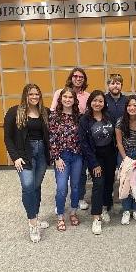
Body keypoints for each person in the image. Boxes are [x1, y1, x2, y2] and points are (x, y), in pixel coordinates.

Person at [3, 84, 50, 243]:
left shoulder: (44, 112)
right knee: (28, 187)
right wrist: (15, 157)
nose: (34, 97)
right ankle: (32, 223)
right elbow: (8, 137)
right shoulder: (14, 112)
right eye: (31, 94)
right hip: (24, 155)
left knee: (36, 187)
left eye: (37, 94)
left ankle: (35, 216)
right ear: (25, 95)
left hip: (41, 153)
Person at [51, 67, 90, 211]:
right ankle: (60, 207)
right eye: (75, 76)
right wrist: (56, 157)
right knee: (62, 185)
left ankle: (77, 202)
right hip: (62, 153)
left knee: (78, 180)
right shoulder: (56, 111)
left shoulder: (85, 100)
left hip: (77, 152)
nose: (78, 78)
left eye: (81, 77)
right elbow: (52, 135)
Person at [79, 90, 116, 235]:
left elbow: (115, 136)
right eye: (95, 100)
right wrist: (94, 163)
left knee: (108, 182)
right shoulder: (84, 120)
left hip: (110, 155)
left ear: (104, 103)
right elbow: (84, 144)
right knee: (98, 183)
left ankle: (106, 207)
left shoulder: (109, 117)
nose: (97, 103)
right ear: (90, 102)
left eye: (100, 101)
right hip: (95, 157)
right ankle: (96, 218)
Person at [49, 88, 82, 231]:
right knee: (62, 188)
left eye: (70, 97)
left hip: (77, 156)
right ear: (60, 98)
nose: (68, 99)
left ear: (74, 100)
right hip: (61, 157)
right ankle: (60, 215)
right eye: (65, 97)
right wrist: (56, 157)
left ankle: (73, 212)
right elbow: (51, 139)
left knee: (75, 186)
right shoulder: (54, 116)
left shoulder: (79, 117)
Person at [115, 95, 136, 225]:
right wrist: (126, 160)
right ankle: (126, 210)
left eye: (135, 105)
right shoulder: (120, 121)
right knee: (125, 182)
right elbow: (119, 143)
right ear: (126, 107)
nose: (132, 108)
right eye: (129, 105)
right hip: (125, 155)